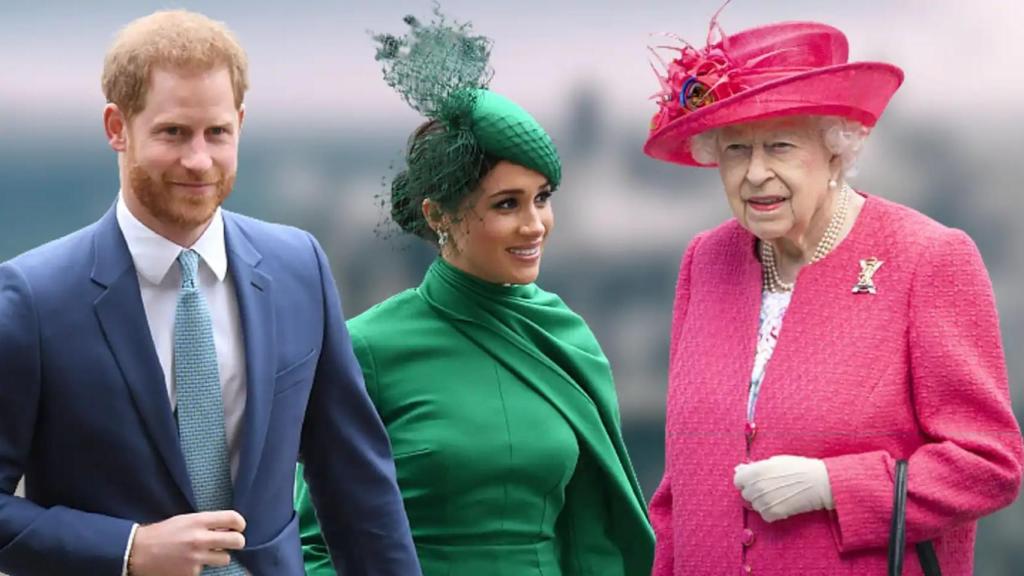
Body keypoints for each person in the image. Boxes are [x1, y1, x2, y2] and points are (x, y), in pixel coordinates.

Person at [0, 10, 419, 576]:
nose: (199, 160)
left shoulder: (300, 268)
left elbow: (357, 483)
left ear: (240, 123)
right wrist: (128, 550)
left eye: (217, 132)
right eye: (173, 132)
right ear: (116, 127)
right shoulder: (33, 298)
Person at [642, 16, 1024, 576]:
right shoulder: (705, 260)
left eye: (780, 146)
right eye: (735, 150)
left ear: (835, 150)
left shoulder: (928, 259)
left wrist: (834, 486)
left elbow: (989, 465)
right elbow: (679, 487)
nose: (755, 174)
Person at [294, 10, 654, 576]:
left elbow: (595, 535)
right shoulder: (365, 348)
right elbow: (315, 546)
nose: (535, 224)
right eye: (506, 204)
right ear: (438, 214)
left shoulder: (566, 336)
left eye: (542, 197)